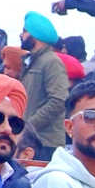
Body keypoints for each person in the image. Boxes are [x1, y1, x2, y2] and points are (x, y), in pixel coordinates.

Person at [18, 10, 70, 163]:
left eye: (25, 31)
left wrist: (30, 126)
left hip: (46, 144)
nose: (21, 35)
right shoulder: (32, 62)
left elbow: (59, 100)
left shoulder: (51, 62)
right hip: (31, 141)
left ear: (36, 34)